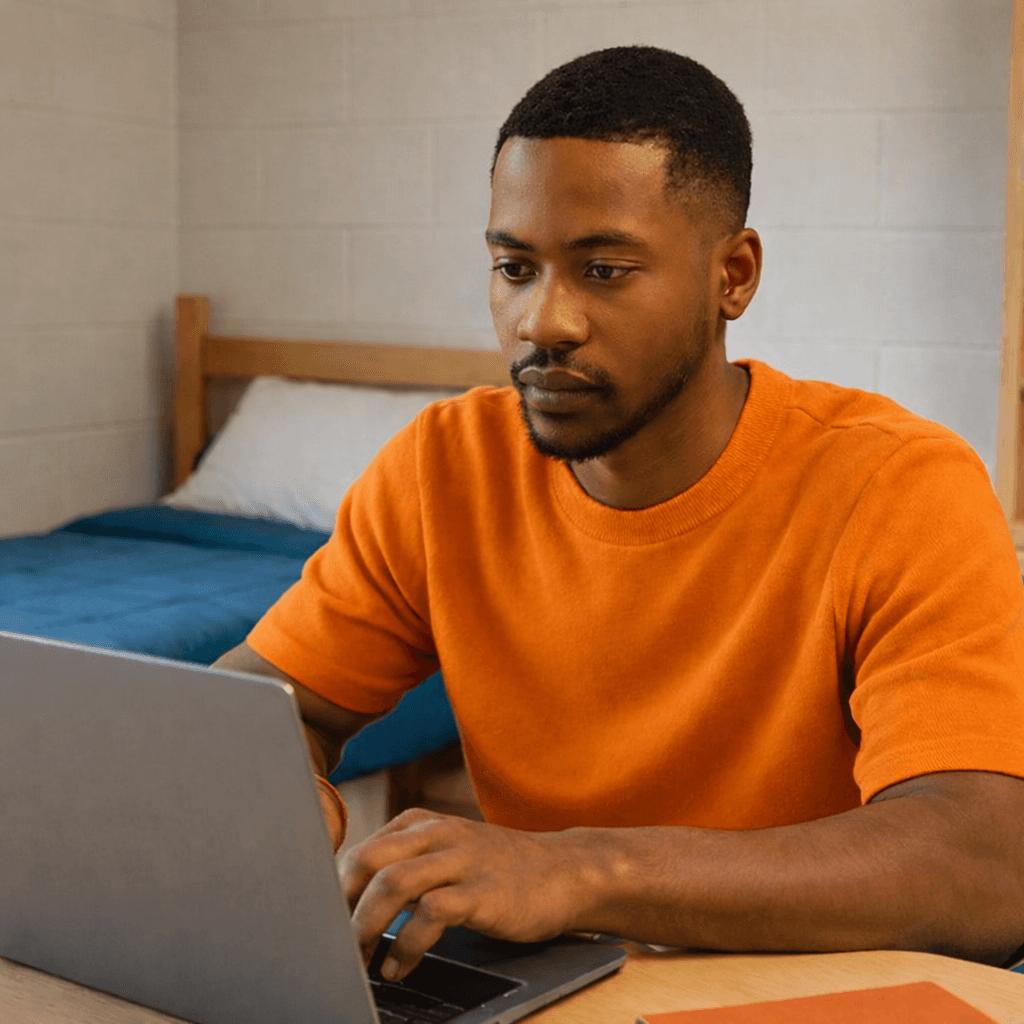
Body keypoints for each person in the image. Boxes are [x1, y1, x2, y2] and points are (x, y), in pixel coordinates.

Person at [214, 46, 1024, 978]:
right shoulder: (441, 468)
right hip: (558, 986)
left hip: (813, 985)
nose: (543, 322)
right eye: (514, 267)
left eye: (603, 270)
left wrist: (581, 868)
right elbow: (259, 706)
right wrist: (276, 787)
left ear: (734, 276)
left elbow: (986, 865)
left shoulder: (901, 484)